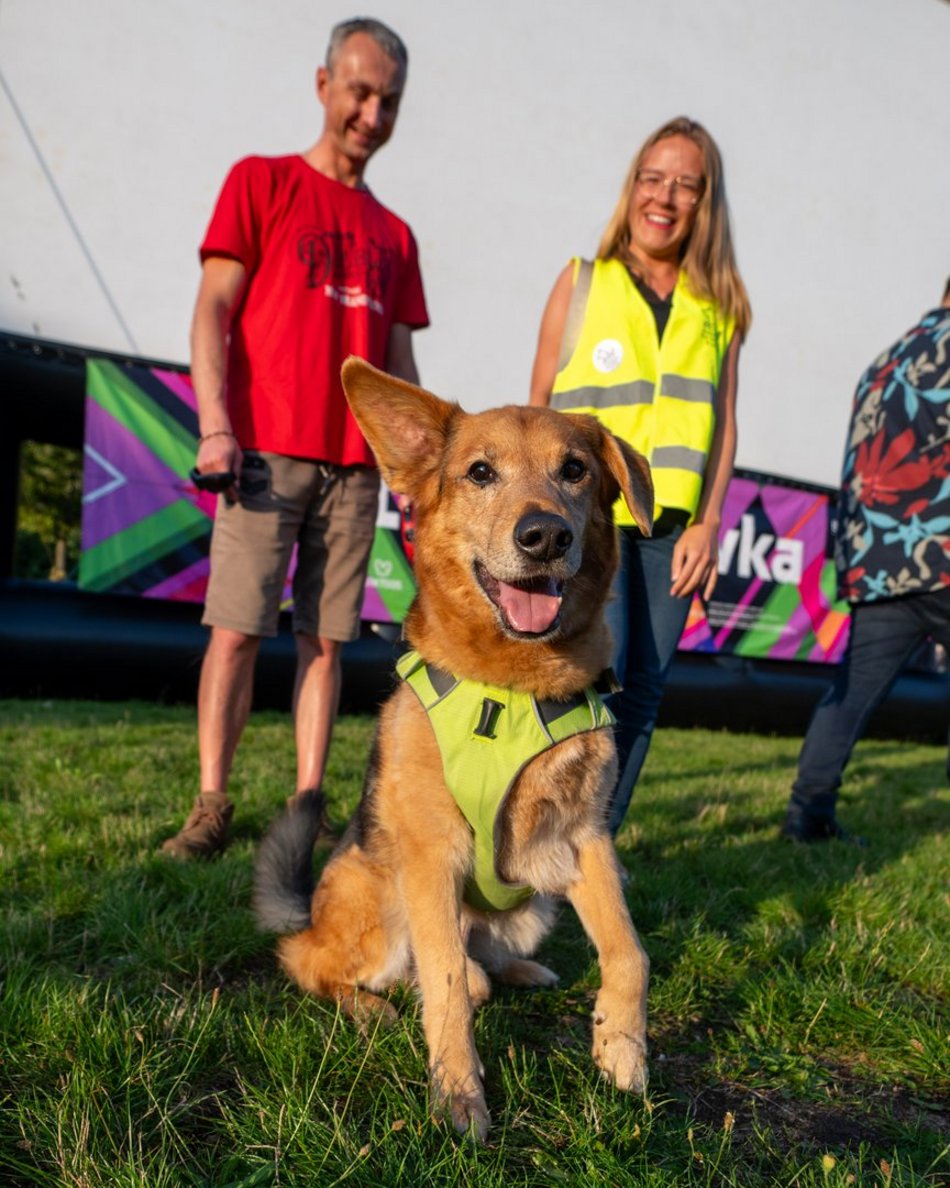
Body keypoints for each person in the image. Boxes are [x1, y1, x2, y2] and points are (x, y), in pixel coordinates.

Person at [161, 18, 429, 858]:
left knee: (327, 642)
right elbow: (213, 308)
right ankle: (211, 806)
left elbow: (400, 363)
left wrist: (421, 474)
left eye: (389, 100)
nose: (372, 114)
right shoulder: (260, 182)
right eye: (360, 92)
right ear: (324, 86)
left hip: (355, 470)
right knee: (237, 630)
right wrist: (216, 426)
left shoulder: (397, 235)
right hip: (263, 456)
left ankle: (306, 810)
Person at [529, 116, 751, 834]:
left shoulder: (721, 311)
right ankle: (538, 835)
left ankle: (596, 848)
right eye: (654, 178)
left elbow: (724, 428)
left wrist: (711, 524)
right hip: (588, 521)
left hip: (670, 529)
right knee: (592, 676)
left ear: (705, 202)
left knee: (645, 691)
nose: (666, 196)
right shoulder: (583, 282)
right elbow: (535, 411)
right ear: (633, 189)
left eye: (686, 184)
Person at [780, 278, 950, 844]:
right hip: (940, 551)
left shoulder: (885, 360)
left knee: (850, 695)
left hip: (881, 562)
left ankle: (807, 815)